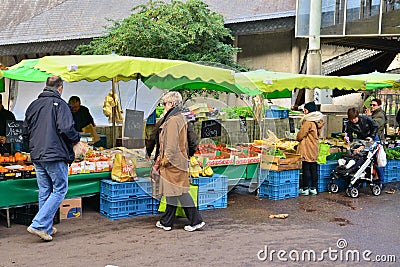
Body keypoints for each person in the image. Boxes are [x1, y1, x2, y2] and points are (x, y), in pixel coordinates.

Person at [23, 76, 81, 241]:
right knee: (60, 189)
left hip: (37, 155)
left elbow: (25, 131)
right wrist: (76, 139)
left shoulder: (33, 105)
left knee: (45, 191)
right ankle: (39, 224)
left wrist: (33, 148)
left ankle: (45, 228)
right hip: (55, 154)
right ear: (60, 88)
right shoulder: (60, 104)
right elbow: (66, 128)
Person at [155, 91, 205, 232]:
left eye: (165, 103)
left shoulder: (172, 121)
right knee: (175, 191)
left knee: (179, 192)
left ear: (171, 104)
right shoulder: (178, 118)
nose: (164, 106)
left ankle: (196, 220)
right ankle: (167, 221)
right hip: (178, 161)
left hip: (173, 163)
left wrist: (164, 160)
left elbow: (170, 144)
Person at [345, 107, 383, 186]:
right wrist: (349, 141)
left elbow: (375, 126)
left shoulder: (365, 119)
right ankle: (363, 179)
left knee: (376, 158)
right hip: (362, 140)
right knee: (363, 158)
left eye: (355, 118)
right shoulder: (349, 124)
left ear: (357, 116)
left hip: (372, 138)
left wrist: (371, 137)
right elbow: (349, 133)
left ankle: (380, 180)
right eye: (351, 119)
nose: (353, 120)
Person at [296, 101, 325, 196]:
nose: (304, 112)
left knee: (306, 167)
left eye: (305, 110)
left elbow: (300, 135)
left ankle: (305, 188)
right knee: (313, 167)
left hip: (307, 147)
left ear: (309, 111)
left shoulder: (308, 122)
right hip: (314, 146)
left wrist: (297, 137)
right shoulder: (318, 121)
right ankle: (314, 188)